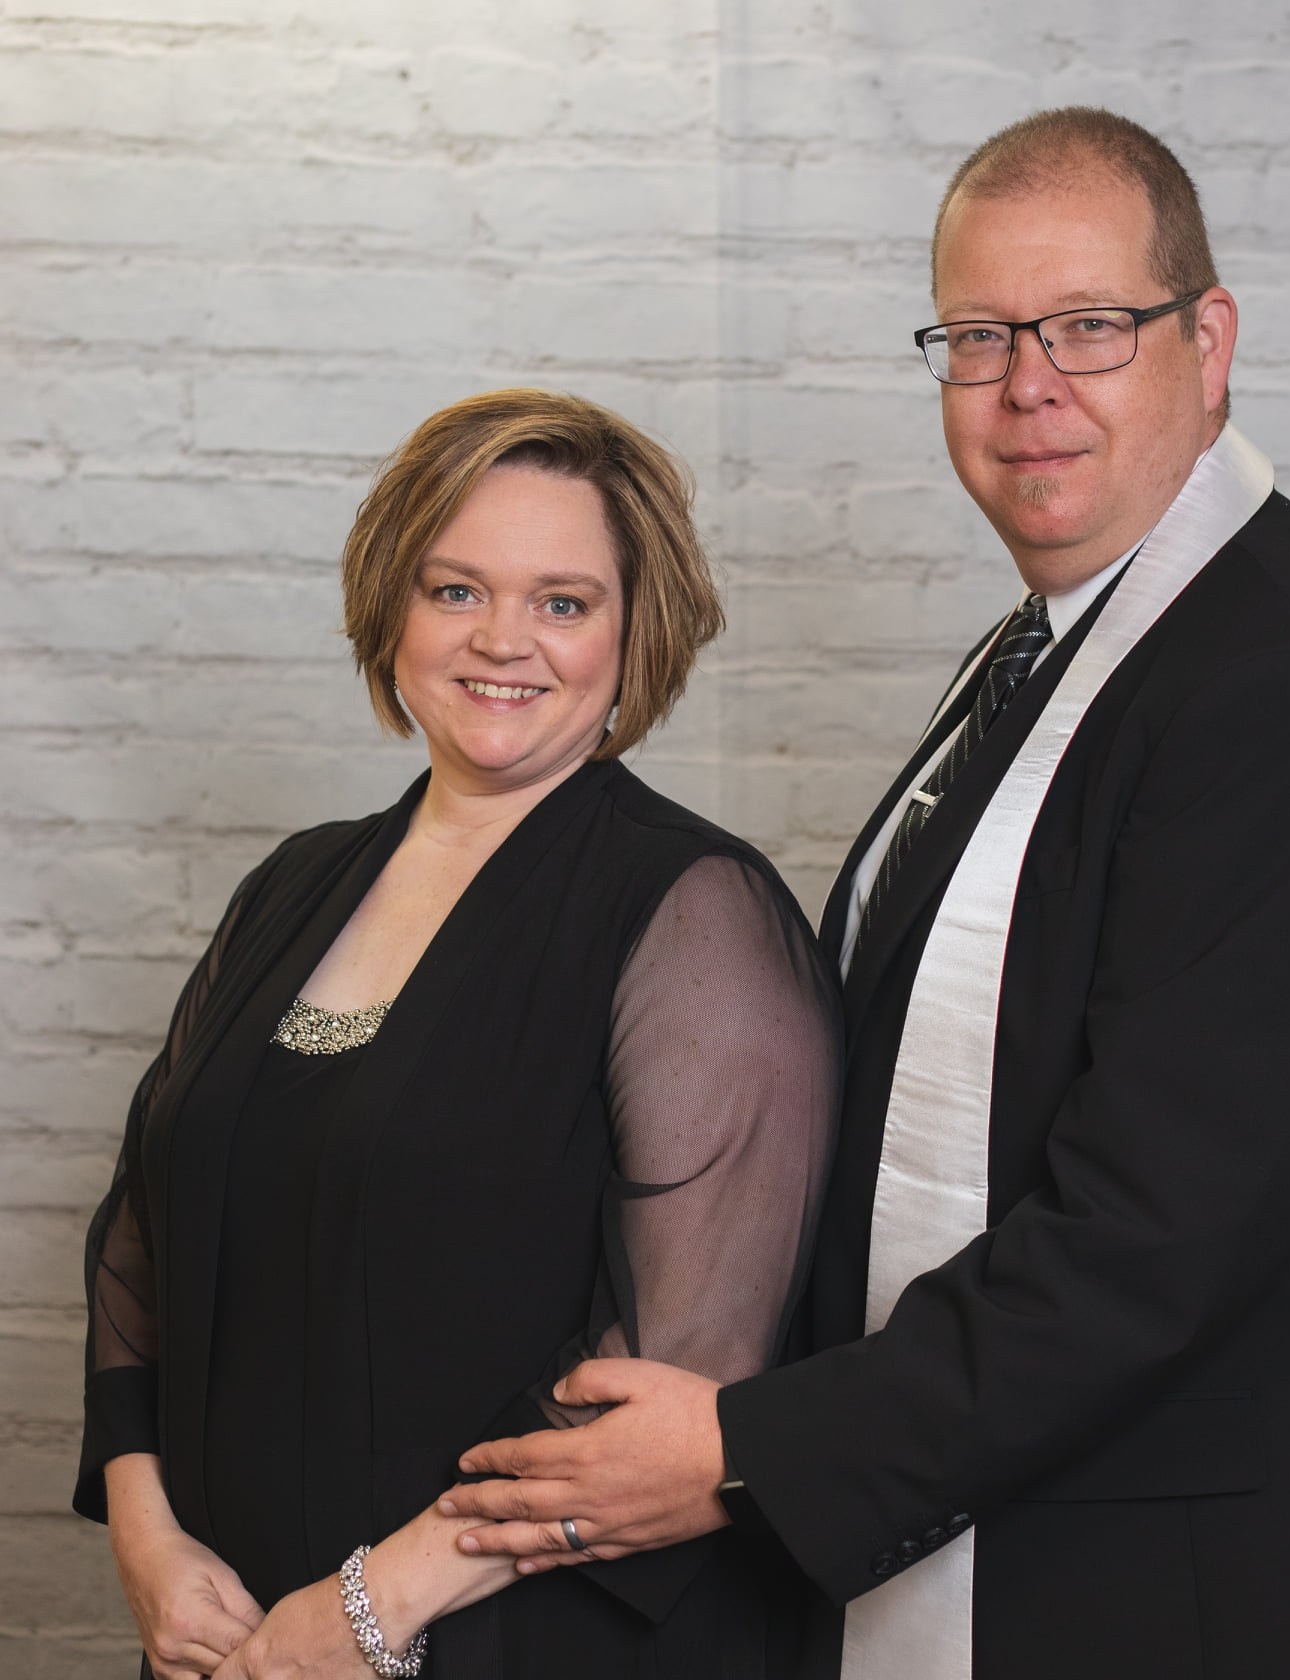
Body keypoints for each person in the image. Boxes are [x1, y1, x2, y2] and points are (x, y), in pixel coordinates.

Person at [439, 108, 1290, 1680]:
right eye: (979, 336)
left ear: (1209, 344)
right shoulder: (1050, 655)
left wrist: (745, 1451)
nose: (1027, 385)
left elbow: (1152, 1237)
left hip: (1191, 1604)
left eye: (1089, 326)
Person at [74, 387, 841, 1680]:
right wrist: (149, 1542)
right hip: (232, 1639)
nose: (503, 640)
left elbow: (678, 1373)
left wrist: (368, 1611)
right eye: (455, 589)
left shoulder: (694, 914)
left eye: (563, 602)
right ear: (394, 607)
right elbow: (143, 1238)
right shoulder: (294, 885)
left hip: (512, 1636)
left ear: (635, 630)